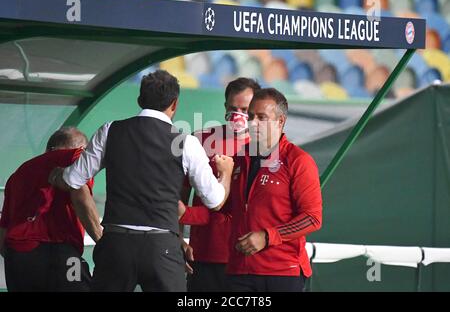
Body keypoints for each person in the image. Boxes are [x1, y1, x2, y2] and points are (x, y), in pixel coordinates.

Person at [50, 70, 234, 292]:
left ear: (139, 100)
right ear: (174, 104)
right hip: (162, 247)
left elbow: (72, 179)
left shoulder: (110, 130)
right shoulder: (186, 142)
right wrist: (226, 173)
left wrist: (56, 173)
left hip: (116, 245)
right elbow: (215, 201)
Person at [226, 88, 323, 292]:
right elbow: (227, 209)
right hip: (240, 271)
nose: (252, 123)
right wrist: (185, 214)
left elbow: (312, 218)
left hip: (282, 273)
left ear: (280, 121)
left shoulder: (298, 160)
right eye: (251, 116)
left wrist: (267, 236)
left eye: (262, 118)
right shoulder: (239, 158)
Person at [179, 77, 261, 292]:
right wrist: (177, 239)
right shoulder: (199, 140)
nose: (238, 115)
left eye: (245, 109)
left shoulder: (265, 147)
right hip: (203, 253)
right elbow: (180, 195)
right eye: (233, 108)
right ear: (225, 106)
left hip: (247, 256)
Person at [0, 127, 102, 292]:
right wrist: (102, 241)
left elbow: (3, 229)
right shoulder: (76, 157)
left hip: (18, 257)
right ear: (80, 148)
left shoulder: (17, 175)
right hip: (61, 254)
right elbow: (81, 196)